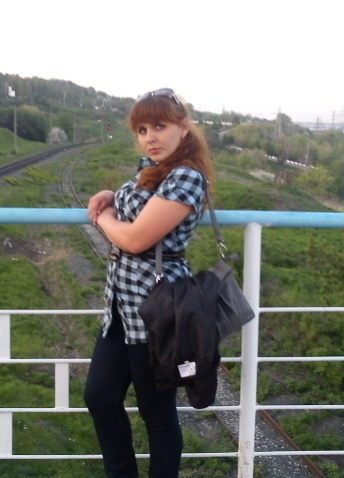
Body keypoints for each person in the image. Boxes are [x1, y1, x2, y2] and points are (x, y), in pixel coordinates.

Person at [84, 88, 214, 478]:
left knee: (156, 412)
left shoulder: (187, 177)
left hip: (157, 311)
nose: (150, 137)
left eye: (159, 126)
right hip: (120, 309)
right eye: (142, 130)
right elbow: (138, 205)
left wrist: (103, 217)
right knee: (100, 397)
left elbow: (136, 238)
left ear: (183, 128)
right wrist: (112, 195)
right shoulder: (150, 170)